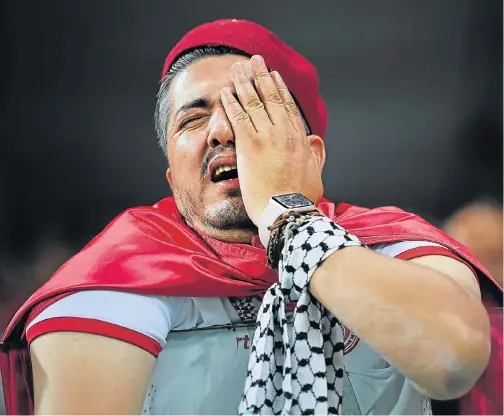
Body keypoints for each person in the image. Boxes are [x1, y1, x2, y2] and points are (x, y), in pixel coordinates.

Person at [0, 19, 500, 415]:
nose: (221, 130)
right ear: (172, 178)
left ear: (311, 156)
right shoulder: (120, 271)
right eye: (192, 119)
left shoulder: (392, 240)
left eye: (250, 109)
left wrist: (290, 218)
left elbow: (453, 360)